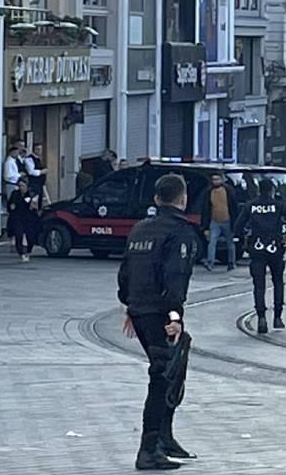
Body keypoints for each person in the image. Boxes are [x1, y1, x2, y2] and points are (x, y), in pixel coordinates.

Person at [117, 174, 197, 470]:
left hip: (139, 311)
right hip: (161, 314)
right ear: (182, 198)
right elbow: (176, 277)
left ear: (156, 199)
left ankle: (164, 437)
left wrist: (129, 306)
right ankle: (149, 448)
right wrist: (175, 317)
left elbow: (126, 273)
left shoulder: (140, 229)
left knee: (172, 367)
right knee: (163, 374)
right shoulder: (179, 232)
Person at [234, 177, 286, 333]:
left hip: (257, 249)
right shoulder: (278, 205)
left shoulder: (251, 206)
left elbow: (238, 225)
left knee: (259, 285)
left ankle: (261, 317)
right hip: (275, 248)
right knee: (278, 282)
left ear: (258, 190)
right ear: (272, 190)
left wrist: (242, 239)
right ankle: (277, 317)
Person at [196, 172, 238, 272]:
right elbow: (205, 208)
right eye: (214, 179)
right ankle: (210, 262)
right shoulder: (208, 192)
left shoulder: (228, 190)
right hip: (214, 221)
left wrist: (235, 222)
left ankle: (231, 262)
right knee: (212, 242)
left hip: (227, 220)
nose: (215, 181)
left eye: (217, 179)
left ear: (222, 180)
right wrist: (205, 224)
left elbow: (233, 206)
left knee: (230, 243)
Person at [7, 179, 41, 262]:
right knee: (19, 235)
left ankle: (29, 251)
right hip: (18, 217)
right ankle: (21, 253)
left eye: (22, 186)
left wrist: (34, 205)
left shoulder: (31, 194)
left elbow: (36, 206)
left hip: (29, 217)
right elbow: (10, 204)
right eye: (19, 186)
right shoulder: (15, 194)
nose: (21, 188)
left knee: (31, 236)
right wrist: (11, 207)